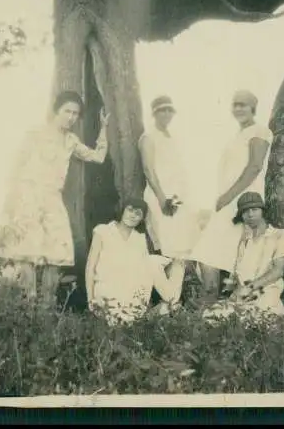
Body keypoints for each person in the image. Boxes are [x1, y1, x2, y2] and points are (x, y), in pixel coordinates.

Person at [0, 90, 110, 307]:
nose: (71, 117)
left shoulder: (71, 140)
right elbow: (16, 166)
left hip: (52, 198)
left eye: (75, 113)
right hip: (28, 196)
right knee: (28, 252)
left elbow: (98, 156)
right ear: (56, 111)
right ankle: (28, 305)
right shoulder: (35, 134)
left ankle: (47, 306)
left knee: (58, 251)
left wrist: (104, 128)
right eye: (67, 111)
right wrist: (10, 200)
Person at [191, 90, 273, 299]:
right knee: (212, 252)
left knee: (213, 252)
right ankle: (213, 303)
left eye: (243, 105)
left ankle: (212, 302)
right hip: (227, 200)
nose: (238, 109)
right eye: (235, 105)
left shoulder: (260, 131)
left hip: (242, 200)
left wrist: (229, 196)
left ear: (253, 108)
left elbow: (254, 167)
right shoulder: (237, 135)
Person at [85, 197, 186, 325]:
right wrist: (90, 299)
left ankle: (169, 302)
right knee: (166, 264)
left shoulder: (139, 238)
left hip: (132, 292)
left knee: (161, 262)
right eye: (130, 210)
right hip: (107, 291)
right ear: (123, 210)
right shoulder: (103, 231)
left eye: (138, 213)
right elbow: (90, 267)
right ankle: (172, 302)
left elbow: (142, 273)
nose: (133, 215)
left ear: (141, 219)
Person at [202, 192, 284, 329]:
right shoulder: (245, 240)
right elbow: (237, 273)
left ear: (262, 211)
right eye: (245, 212)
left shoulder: (279, 235)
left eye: (254, 210)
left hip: (266, 291)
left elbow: (278, 271)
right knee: (209, 315)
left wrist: (250, 287)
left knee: (261, 322)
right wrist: (230, 290)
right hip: (242, 295)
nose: (250, 215)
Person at [138, 95, 197, 260]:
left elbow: (179, 172)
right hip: (159, 196)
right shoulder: (148, 137)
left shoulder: (173, 138)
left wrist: (177, 198)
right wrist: (162, 199)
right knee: (166, 245)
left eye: (169, 110)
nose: (166, 114)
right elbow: (148, 169)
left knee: (183, 244)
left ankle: (178, 284)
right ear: (154, 113)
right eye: (161, 110)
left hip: (177, 198)